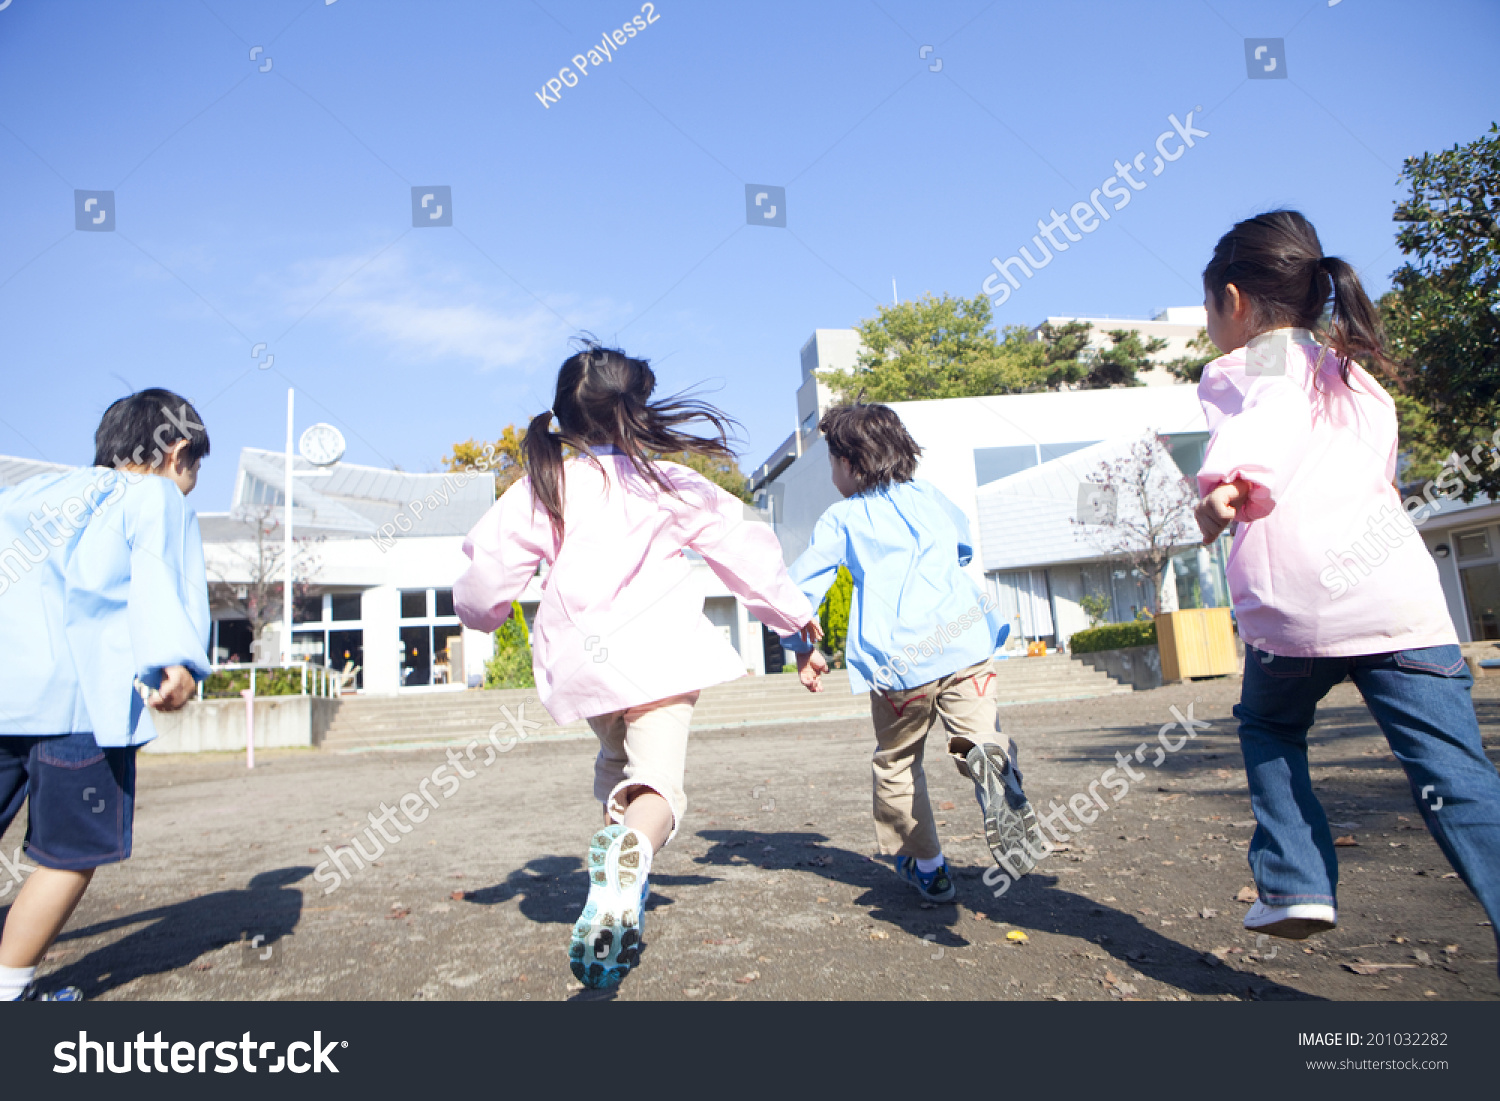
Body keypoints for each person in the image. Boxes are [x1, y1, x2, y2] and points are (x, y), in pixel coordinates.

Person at [454, 342, 819, 988]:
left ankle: (619, 900)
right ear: (635, 414)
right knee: (659, 788)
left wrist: (481, 616)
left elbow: (486, 576)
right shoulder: (667, 483)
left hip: (590, 674)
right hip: (661, 659)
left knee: (617, 773)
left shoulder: (543, 485)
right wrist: (794, 621)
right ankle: (631, 857)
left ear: (564, 419)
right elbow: (746, 549)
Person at [1193, 209, 1500, 952]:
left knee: (1270, 724)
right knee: (1455, 775)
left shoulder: (1263, 362)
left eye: (1208, 309)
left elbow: (1270, 413)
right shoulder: (1358, 375)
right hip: (1400, 606)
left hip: (1297, 611)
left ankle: (1295, 880)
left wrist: (1226, 485)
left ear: (1234, 302)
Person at [782, 401, 1044, 902]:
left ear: (850, 464)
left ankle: (930, 866)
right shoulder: (931, 497)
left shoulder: (842, 517)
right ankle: (987, 757)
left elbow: (799, 590)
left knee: (898, 761)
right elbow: (961, 548)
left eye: (833, 462)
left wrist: (801, 647)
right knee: (978, 730)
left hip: (900, 663)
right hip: (965, 644)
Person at [0, 389, 212, 1001]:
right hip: (79, 706)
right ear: (176, 453)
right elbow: (154, 575)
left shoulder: (31, 495)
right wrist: (173, 658)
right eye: (195, 471)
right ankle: (10, 992)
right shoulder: (153, 496)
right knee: (70, 851)